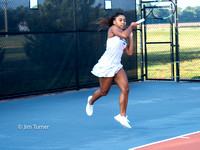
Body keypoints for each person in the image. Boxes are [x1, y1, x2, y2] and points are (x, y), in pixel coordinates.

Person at [86, 13, 138, 129]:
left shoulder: (122, 37)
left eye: (124, 20)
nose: (123, 22)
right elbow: (124, 34)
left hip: (117, 66)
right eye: (120, 20)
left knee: (126, 88)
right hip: (106, 65)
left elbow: (129, 52)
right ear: (114, 22)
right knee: (104, 92)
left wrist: (131, 36)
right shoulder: (113, 29)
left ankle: (122, 116)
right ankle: (91, 101)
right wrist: (131, 28)